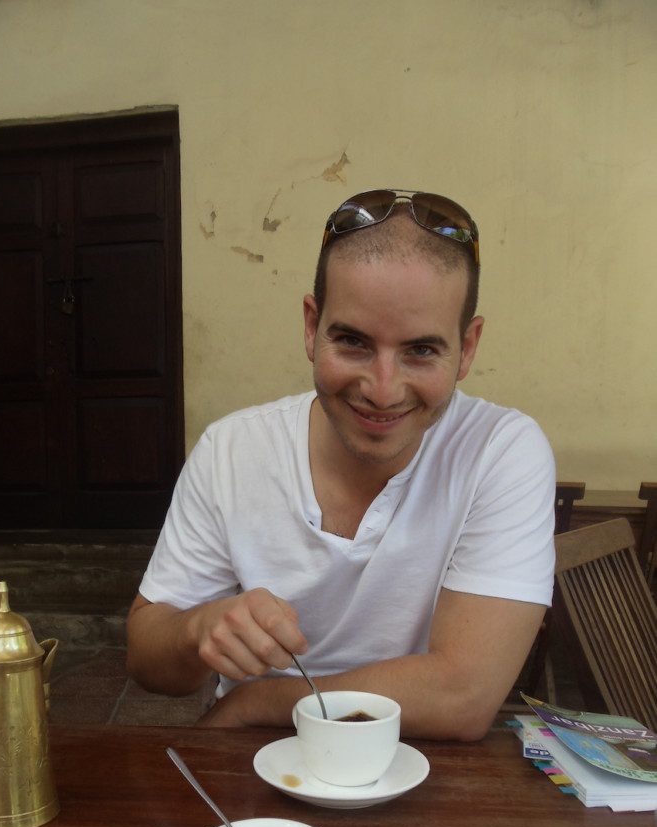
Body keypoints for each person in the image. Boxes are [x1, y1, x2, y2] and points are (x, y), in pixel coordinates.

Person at [127, 188, 555, 740]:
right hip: (255, 772)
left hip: (417, 766)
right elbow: (146, 658)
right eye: (352, 342)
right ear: (311, 326)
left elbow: (464, 695)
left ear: (467, 349)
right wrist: (196, 630)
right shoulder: (232, 449)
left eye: (421, 351)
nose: (382, 390)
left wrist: (262, 702)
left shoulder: (500, 450)